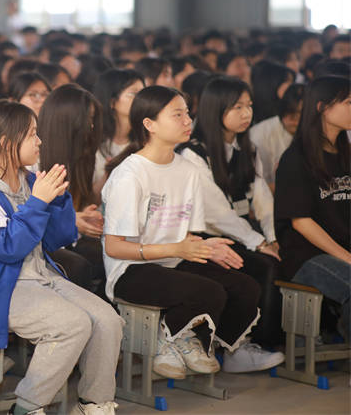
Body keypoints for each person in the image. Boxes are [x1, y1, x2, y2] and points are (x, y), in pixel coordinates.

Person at [0, 100, 122, 415]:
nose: (39, 141)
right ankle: (29, 406)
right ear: (6, 143)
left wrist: (56, 199)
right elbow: (7, 249)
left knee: (108, 320)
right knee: (71, 324)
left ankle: (93, 403)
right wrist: (39, 201)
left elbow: (57, 239)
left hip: (38, 275)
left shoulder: (28, 178)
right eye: (32, 134)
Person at [102, 86, 276, 380]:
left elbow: (187, 235)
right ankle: (170, 338)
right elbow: (115, 248)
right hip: (130, 270)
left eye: (187, 113)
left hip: (173, 259)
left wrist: (208, 248)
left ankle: (191, 340)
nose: (187, 122)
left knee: (245, 285)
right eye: (177, 115)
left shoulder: (187, 170)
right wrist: (178, 250)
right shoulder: (130, 174)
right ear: (149, 124)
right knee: (208, 290)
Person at [177, 78, 287, 351]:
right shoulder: (193, 154)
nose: (246, 113)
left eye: (249, 106)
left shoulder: (247, 150)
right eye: (237, 107)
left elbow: (263, 200)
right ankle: (246, 344)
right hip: (204, 237)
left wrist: (271, 237)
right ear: (216, 109)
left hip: (238, 233)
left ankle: (258, 342)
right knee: (262, 266)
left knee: (275, 259)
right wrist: (257, 242)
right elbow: (216, 213)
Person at [275, 75, 351, 341]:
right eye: (349, 102)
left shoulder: (345, 153)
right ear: (322, 107)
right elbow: (301, 222)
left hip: (341, 246)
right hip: (307, 254)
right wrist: (346, 257)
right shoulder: (296, 158)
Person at [37, 84, 106, 292]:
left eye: (93, 120)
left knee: (107, 253)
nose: (92, 127)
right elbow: (25, 214)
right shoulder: (34, 160)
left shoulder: (83, 154)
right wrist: (73, 220)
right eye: (87, 121)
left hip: (66, 236)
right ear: (67, 123)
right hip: (38, 242)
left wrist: (83, 216)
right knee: (79, 266)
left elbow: (81, 203)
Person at [92, 69, 145, 189]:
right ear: (112, 102)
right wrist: (109, 173)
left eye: (143, 93)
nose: (141, 100)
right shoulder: (93, 143)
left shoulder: (147, 141)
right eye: (133, 94)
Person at [249, 84, 304, 191]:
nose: (293, 119)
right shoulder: (260, 134)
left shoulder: (317, 133)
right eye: (290, 111)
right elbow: (256, 188)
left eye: (300, 113)